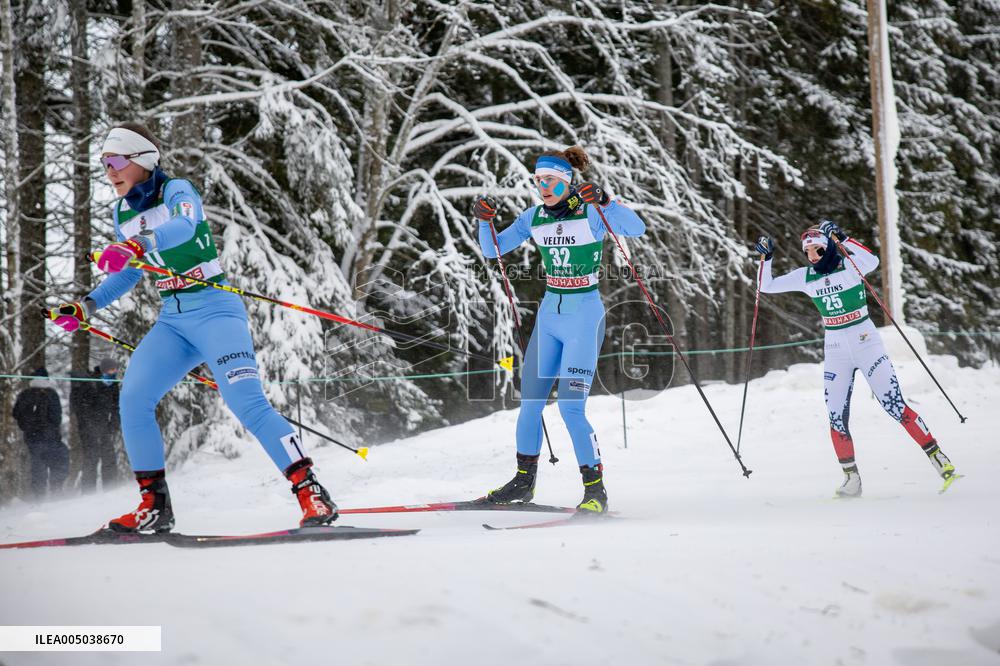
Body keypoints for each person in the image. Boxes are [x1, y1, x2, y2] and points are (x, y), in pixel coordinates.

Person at [46, 123, 337, 533]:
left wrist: (136, 245)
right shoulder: (122, 211)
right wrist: (85, 305)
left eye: (115, 161)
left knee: (247, 404)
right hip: (174, 319)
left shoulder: (177, 191)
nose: (109, 171)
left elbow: (182, 228)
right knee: (134, 399)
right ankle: (155, 505)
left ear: (142, 160)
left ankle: (312, 493)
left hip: (216, 309)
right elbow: (129, 275)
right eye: (103, 164)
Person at [472, 146, 646, 513]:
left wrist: (607, 200)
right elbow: (494, 251)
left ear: (567, 181)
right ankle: (523, 483)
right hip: (550, 315)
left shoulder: (591, 213)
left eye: (549, 180)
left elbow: (636, 228)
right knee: (529, 404)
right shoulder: (534, 217)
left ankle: (595, 491)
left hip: (584, 315)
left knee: (570, 408)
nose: (543, 187)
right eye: (538, 181)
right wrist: (484, 221)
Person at [754, 221, 958, 496]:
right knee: (835, 415)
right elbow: (766, 286)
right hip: (836, 349)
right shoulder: (806, 276)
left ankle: (939, 459)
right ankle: (852, 479)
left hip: (866, 345)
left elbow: (871, 259)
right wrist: (766, 258)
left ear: (828, 248)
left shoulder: (849, 266)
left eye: (817, 250)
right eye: (808, 252)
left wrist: (842, 237)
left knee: (894, 405)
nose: (812, 256)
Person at [12, 368, 69, 497]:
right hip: (48, 438)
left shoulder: (25, 394)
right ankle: (55, 490)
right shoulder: (50, 394)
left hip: (34, 438)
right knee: (58, 461)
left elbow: (16, 413)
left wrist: (27, 426)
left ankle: (40, 496)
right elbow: (56, 417)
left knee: (39, 467)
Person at [70, 357, 123, 492]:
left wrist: (113, 425)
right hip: (88, 428)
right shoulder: (90, 383)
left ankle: (110, 489)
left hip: (105, 426)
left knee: (109, 457)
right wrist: (90, 426)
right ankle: (88, 491)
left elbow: (117, 407)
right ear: (104, 369)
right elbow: (82, 407)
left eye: (115, 370)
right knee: (91, 457)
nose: (113, 372)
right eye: (111, 369)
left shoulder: (113, 384)